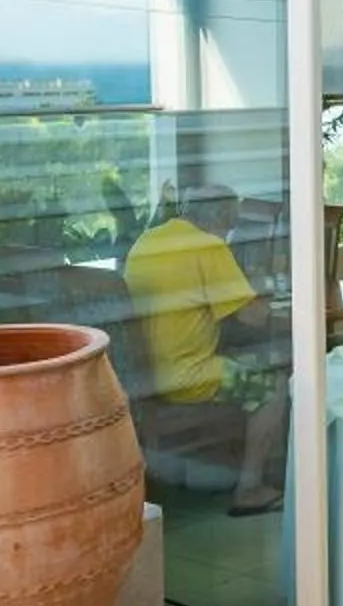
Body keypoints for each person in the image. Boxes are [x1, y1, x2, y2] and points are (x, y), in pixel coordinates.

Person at [123, 185, 289, 514]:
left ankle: (227, 464)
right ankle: (250, 487)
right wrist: (262, 290)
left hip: (143, 375)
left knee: (244, 363)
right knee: (276, 385)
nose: (232, 231)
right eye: (232, 222)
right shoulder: (208, 246)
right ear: (222, 218)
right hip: (186, 376)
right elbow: (253, 318)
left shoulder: (148, 239)